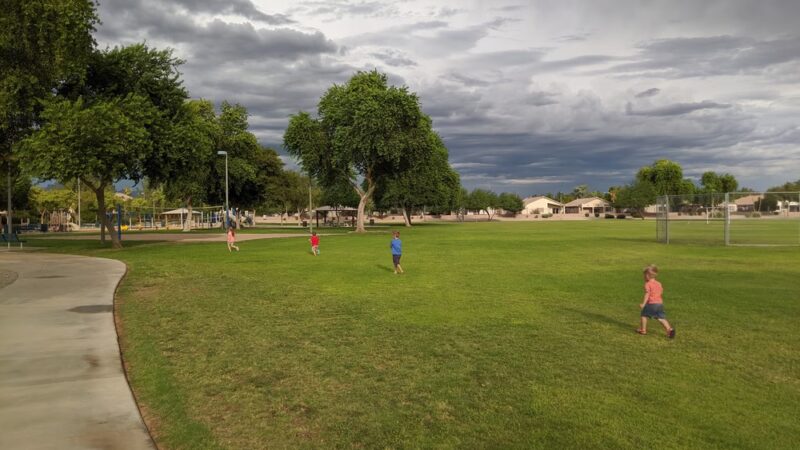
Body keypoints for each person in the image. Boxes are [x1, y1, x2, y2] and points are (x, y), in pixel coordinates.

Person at [637, 265, 675, 338]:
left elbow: (647, 294)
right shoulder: (659, 283)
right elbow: (661, 291)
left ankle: (643, 330)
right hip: (659, 303)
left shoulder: (647, 284)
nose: (643, 277)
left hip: (651, 304)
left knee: (644, 315)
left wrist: (643, 304)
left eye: (644, 275)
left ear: (648, 276)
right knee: (661, 318)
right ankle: (669, 329)